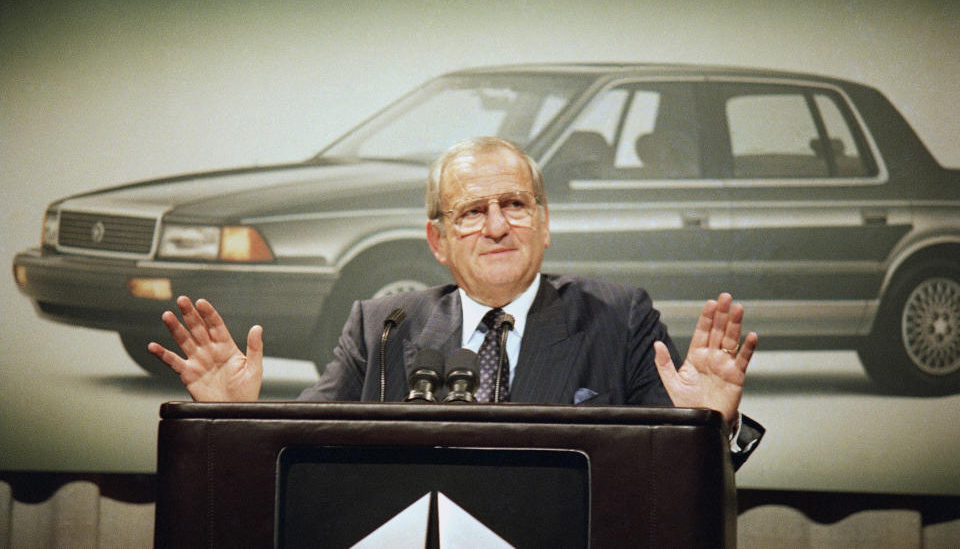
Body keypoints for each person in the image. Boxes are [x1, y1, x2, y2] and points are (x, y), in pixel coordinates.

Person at [148, 136, 763, 466]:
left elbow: (679, 486)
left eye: (515, 205)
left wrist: (710, 427)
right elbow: (309, 452)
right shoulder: (380, 327)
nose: (497, 226)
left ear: (544, 224)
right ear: (438, 241)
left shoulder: (618, 317)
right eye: (472, 212)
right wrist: (234, 421)